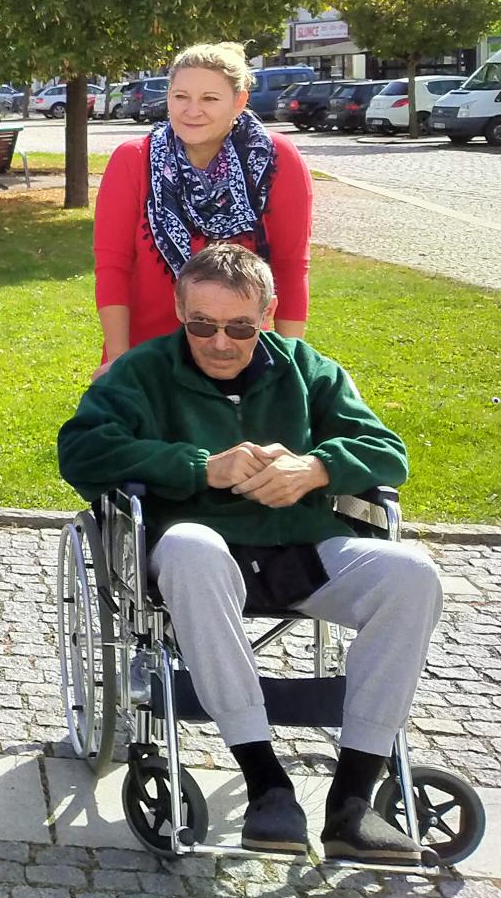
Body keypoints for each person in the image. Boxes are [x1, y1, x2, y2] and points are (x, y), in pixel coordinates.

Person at [58, 243, 437, 863]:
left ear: (267, 314)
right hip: (198, 561)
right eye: (201, 324)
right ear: (179, 311)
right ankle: (266, 782)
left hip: (301, 549)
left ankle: (353, 801)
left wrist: (316, 468)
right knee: (192, 546)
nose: (219, 342)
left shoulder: (307, 370)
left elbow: (388, 452)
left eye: (239, 326)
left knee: (414, 575)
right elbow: (81, 451)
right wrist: (199, 467)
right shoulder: (142, 373)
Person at [93, 42, 311, 378]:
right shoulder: (133, 160)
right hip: (147, 360)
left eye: (209, 98)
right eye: (181, 96)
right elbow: (112, 267)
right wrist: (119, 362)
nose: (192, 111)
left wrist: (289, 364)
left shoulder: (276, 159)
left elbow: (291, 266)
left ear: (238, 101)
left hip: (240, 357)